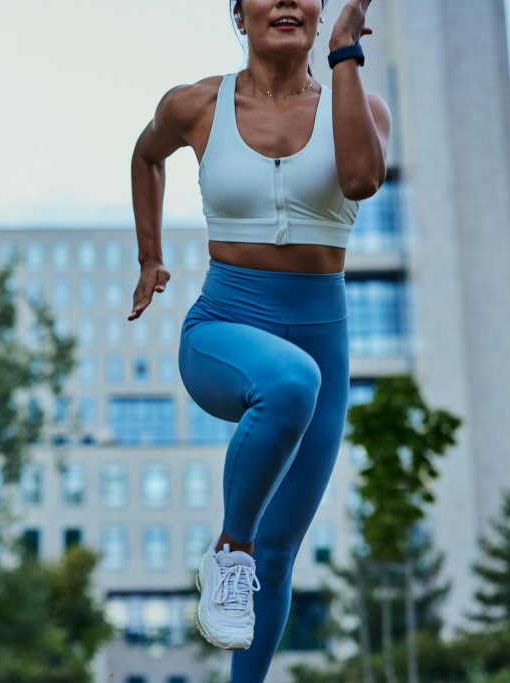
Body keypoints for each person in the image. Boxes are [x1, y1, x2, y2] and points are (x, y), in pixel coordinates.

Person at [127, 0, 391, 679]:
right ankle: (227, 549)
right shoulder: (195, 106)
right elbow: (146, 155)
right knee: (286, 382)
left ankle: (244, 576)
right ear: (238, 13)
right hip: (222, 331)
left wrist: (344, 54)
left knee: (277, 558)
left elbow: (362, 178)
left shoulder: (358, 104)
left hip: (324, 341)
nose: (285, 1)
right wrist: (149, 255)